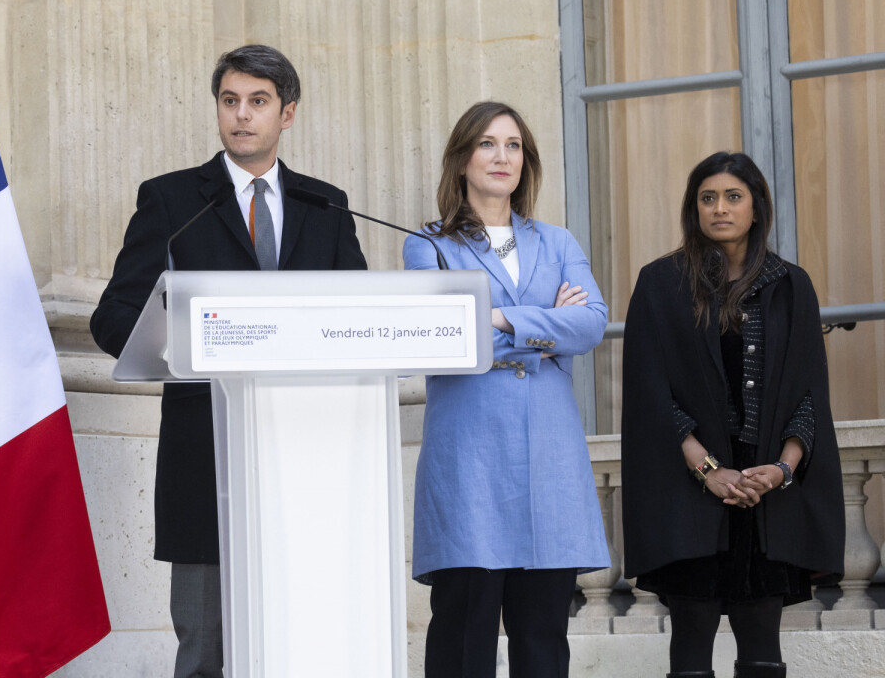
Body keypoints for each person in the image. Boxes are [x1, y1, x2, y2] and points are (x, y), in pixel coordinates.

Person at [90, 44, 367, 677]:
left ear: (287, 114)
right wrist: (186, 342)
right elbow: (112, 319)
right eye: (230, 101)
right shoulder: (172, 200)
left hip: (307, 457)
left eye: (258, 102)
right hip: (204, 458)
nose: (241, 116)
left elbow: (354, 320)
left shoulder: (324, 204)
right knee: (207, 649)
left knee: (303, 642)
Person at [403, 101, 609, 677]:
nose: (502, 156)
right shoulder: (429, 245)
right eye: (488, 143)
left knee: (544, 638)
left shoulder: (558, 240)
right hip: (469, 455)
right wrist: (546, 323)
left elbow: (591, 323)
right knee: (463, 634)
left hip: (548, 453)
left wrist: (499, 319)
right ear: (462, 158)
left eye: (514, 145)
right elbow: (445, 338)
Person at [621, 152, 844, 678]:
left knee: (762, 646)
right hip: (688, 487)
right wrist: (707, 470)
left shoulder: (792, 286)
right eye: (708, 197)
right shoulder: (661, 283)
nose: (719, 208)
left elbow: (810, 392)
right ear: (694, 207)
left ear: (756, 206)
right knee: (691, 641)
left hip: (765, 494)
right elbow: (649, 392)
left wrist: (782, 470)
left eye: (733, 196)